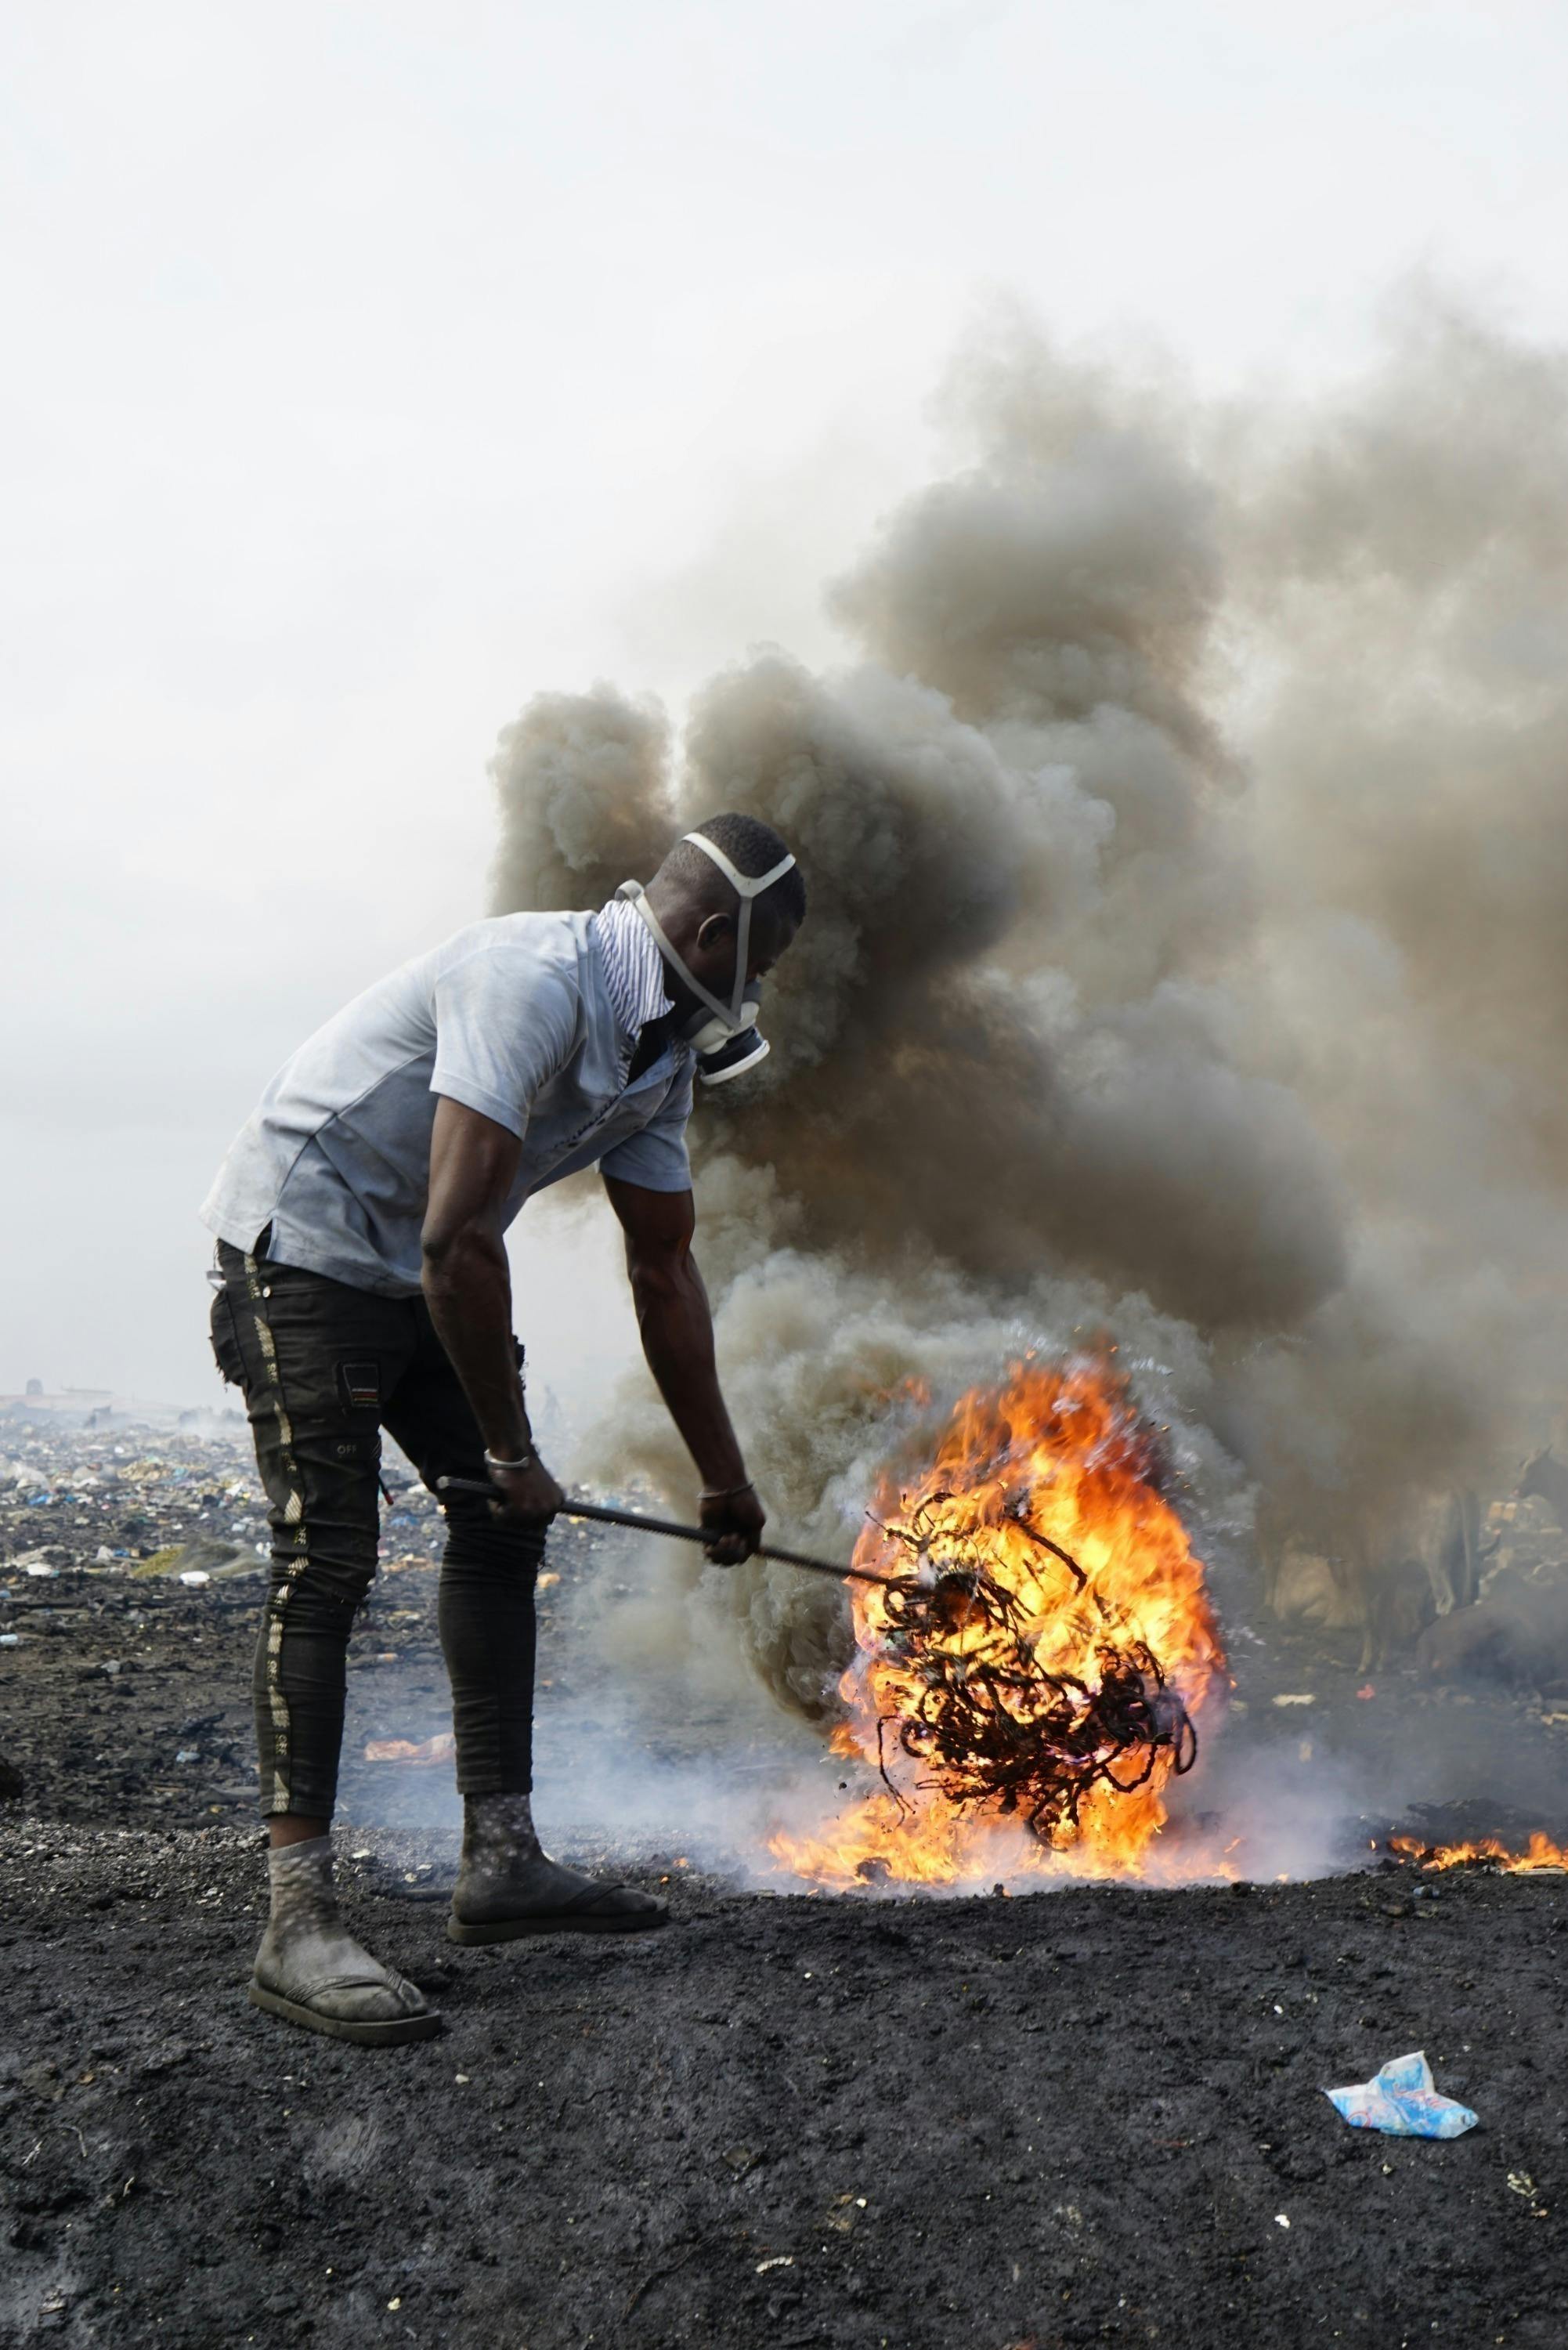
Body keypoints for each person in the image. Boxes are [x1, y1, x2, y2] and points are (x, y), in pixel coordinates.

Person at [202, 814, 806, 2044]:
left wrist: (724, 1480)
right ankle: (296, 1922)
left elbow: (664, 1271)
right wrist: (510, 1452)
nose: (755, 994)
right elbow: (455, 1240)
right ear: (704, 937)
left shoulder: (657, 1056)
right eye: (758, 966)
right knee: (327, 1559)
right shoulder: (531, 983)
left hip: (420, 1272)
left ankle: (501, 1864)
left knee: (496, 1532)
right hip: (305, 1255)